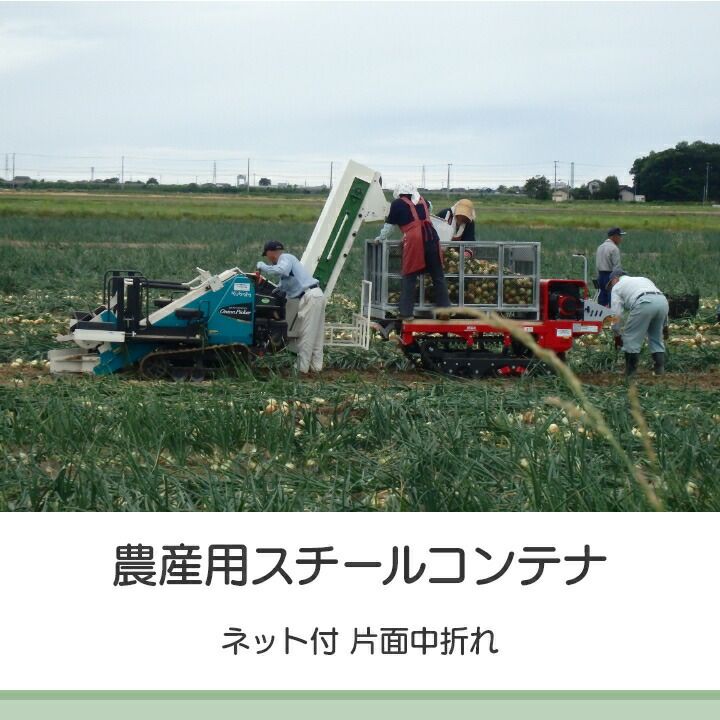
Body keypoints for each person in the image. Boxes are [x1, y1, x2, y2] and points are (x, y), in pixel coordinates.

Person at [376, 182, 451, 319]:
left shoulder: (397, 204)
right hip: (432, 238)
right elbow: (429, 209)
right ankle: (445, 310)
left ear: (399, 193)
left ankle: (406, 313)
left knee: (409, 275)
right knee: (438, 275)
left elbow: (389, 227)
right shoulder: (423, 201)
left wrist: (380, 238)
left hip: (415, 240)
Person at [256, 240, 325, 375]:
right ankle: (316, 366)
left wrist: (262, 266)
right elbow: (280, 288)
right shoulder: (285, 272)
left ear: (271, 253)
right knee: (316, 334)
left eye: (267, 255)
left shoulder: (285, 258)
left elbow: (281, 270)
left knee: (306, 333)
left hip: (310, 296)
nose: (268, 259)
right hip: (315, 295)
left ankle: (301, 369)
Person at [606, 269, 669, 377]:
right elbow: (657, 298)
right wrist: (665, 325)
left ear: (615, 279)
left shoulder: (617, 286)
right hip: (663, 302)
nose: (611, 287)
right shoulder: (643, 279)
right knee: (656, 337)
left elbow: (616, 313)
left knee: (630, 337)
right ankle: (659, 370)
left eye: (611, 283)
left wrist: (616, 333)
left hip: (643, 303)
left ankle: (630, 373)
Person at [595, 227, 624, 306]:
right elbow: (616, 266)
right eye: (619, 236)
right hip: (610, 276)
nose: (621, 239)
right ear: (614, 236)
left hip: (600, 276)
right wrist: (616, 279)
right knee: (612, 297)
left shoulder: (600, 247)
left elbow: (597, 264)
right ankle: (611, 313)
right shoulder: (614, 248)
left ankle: (601, 313)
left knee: (602, 298)